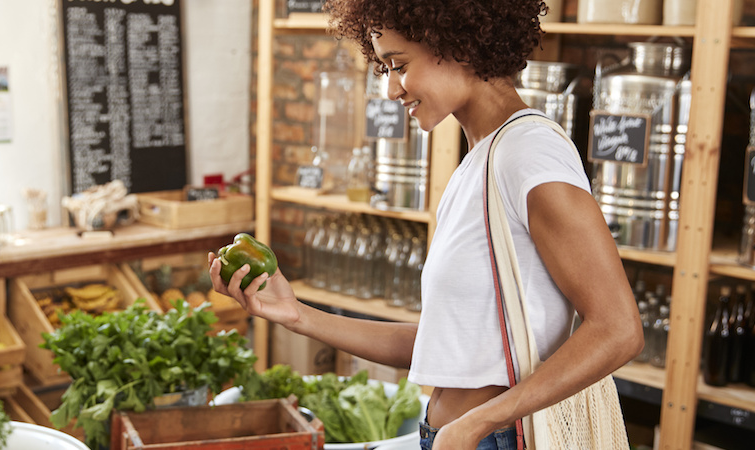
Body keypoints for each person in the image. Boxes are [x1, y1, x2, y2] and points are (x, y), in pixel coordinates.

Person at [209, 1, 643, 449]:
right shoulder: (481, 162)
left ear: (457, 43)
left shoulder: (527, 155)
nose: (392, 90)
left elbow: (618, 328)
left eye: (398, 65)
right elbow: (442, 345)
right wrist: (297, 315)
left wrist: (477, 423)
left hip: (493, 438)